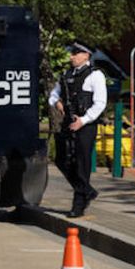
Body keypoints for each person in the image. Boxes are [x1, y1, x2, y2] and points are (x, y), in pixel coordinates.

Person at [49, 42, 107, 218]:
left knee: (81, 163)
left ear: (86, 55)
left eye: (75, 53)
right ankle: (87, 190)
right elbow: (53, 95)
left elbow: (100, 103)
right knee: (61, 159)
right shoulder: (67, 75)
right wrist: (57, 102)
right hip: (69, 122)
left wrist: (83, 120)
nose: (71, 56)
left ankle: (79, 202)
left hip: (85, 125)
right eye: (72, 53)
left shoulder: (95, 75)